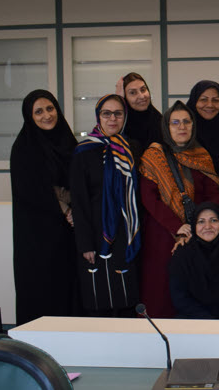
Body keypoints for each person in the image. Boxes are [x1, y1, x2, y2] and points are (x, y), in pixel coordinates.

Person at [137, 101, 219, 318]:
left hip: (198, 234)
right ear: (166, 126)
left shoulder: (202, 155)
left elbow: (213, 196)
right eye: (175, 123)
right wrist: (177, 226)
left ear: (193, 125)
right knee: (160, 291)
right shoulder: (153, 156)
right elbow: (149, 198)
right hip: (162, 234)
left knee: (194, 289)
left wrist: (201, 225)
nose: (181, 127)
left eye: (186, 122)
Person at [11, 89, 80, 325]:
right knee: (44, 291)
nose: (46, 115)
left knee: (71, 290)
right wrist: (66, 210)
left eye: (50, 108)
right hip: (38, 238)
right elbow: (32, 190)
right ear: (29, 116)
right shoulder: (24, 148)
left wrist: (76, 208)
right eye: (38, 112)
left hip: (70, 235)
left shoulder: (68, 142)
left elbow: (80, 180)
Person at [70, 94, 143, 317]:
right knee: (99, 297)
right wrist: (85, 244)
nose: (112, 119)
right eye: (106, 113)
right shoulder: (83, 152)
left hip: (127, 230)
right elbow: (79, 200)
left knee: (127, 298)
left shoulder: (133, 148)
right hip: (95, 232)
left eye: (118, 114)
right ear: (98, 116)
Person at [185, 80, 219, 205]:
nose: (210, 105)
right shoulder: (184, 132)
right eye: (203, 99)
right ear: (194, 101)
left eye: (215, 100)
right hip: (190, 200)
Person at [118, 72, 162, 152]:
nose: (142, 96)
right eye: (132, 93)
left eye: (143, 90)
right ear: (125, 98)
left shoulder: (160, 121)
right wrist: (119, 101)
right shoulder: (119, 125)